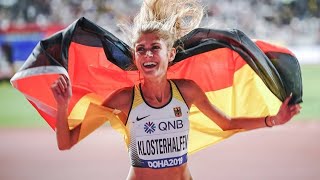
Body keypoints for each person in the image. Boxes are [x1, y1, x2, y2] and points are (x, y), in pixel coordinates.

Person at [50, 0, 301, 179]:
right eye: (140, 49)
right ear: (135, 58)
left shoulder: (187, 91)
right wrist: (63, 106)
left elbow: (227, 123)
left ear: (170, 54)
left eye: (155, 48)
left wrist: (273, 120)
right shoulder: (125, 99)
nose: (148, 54)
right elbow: (66, 142)